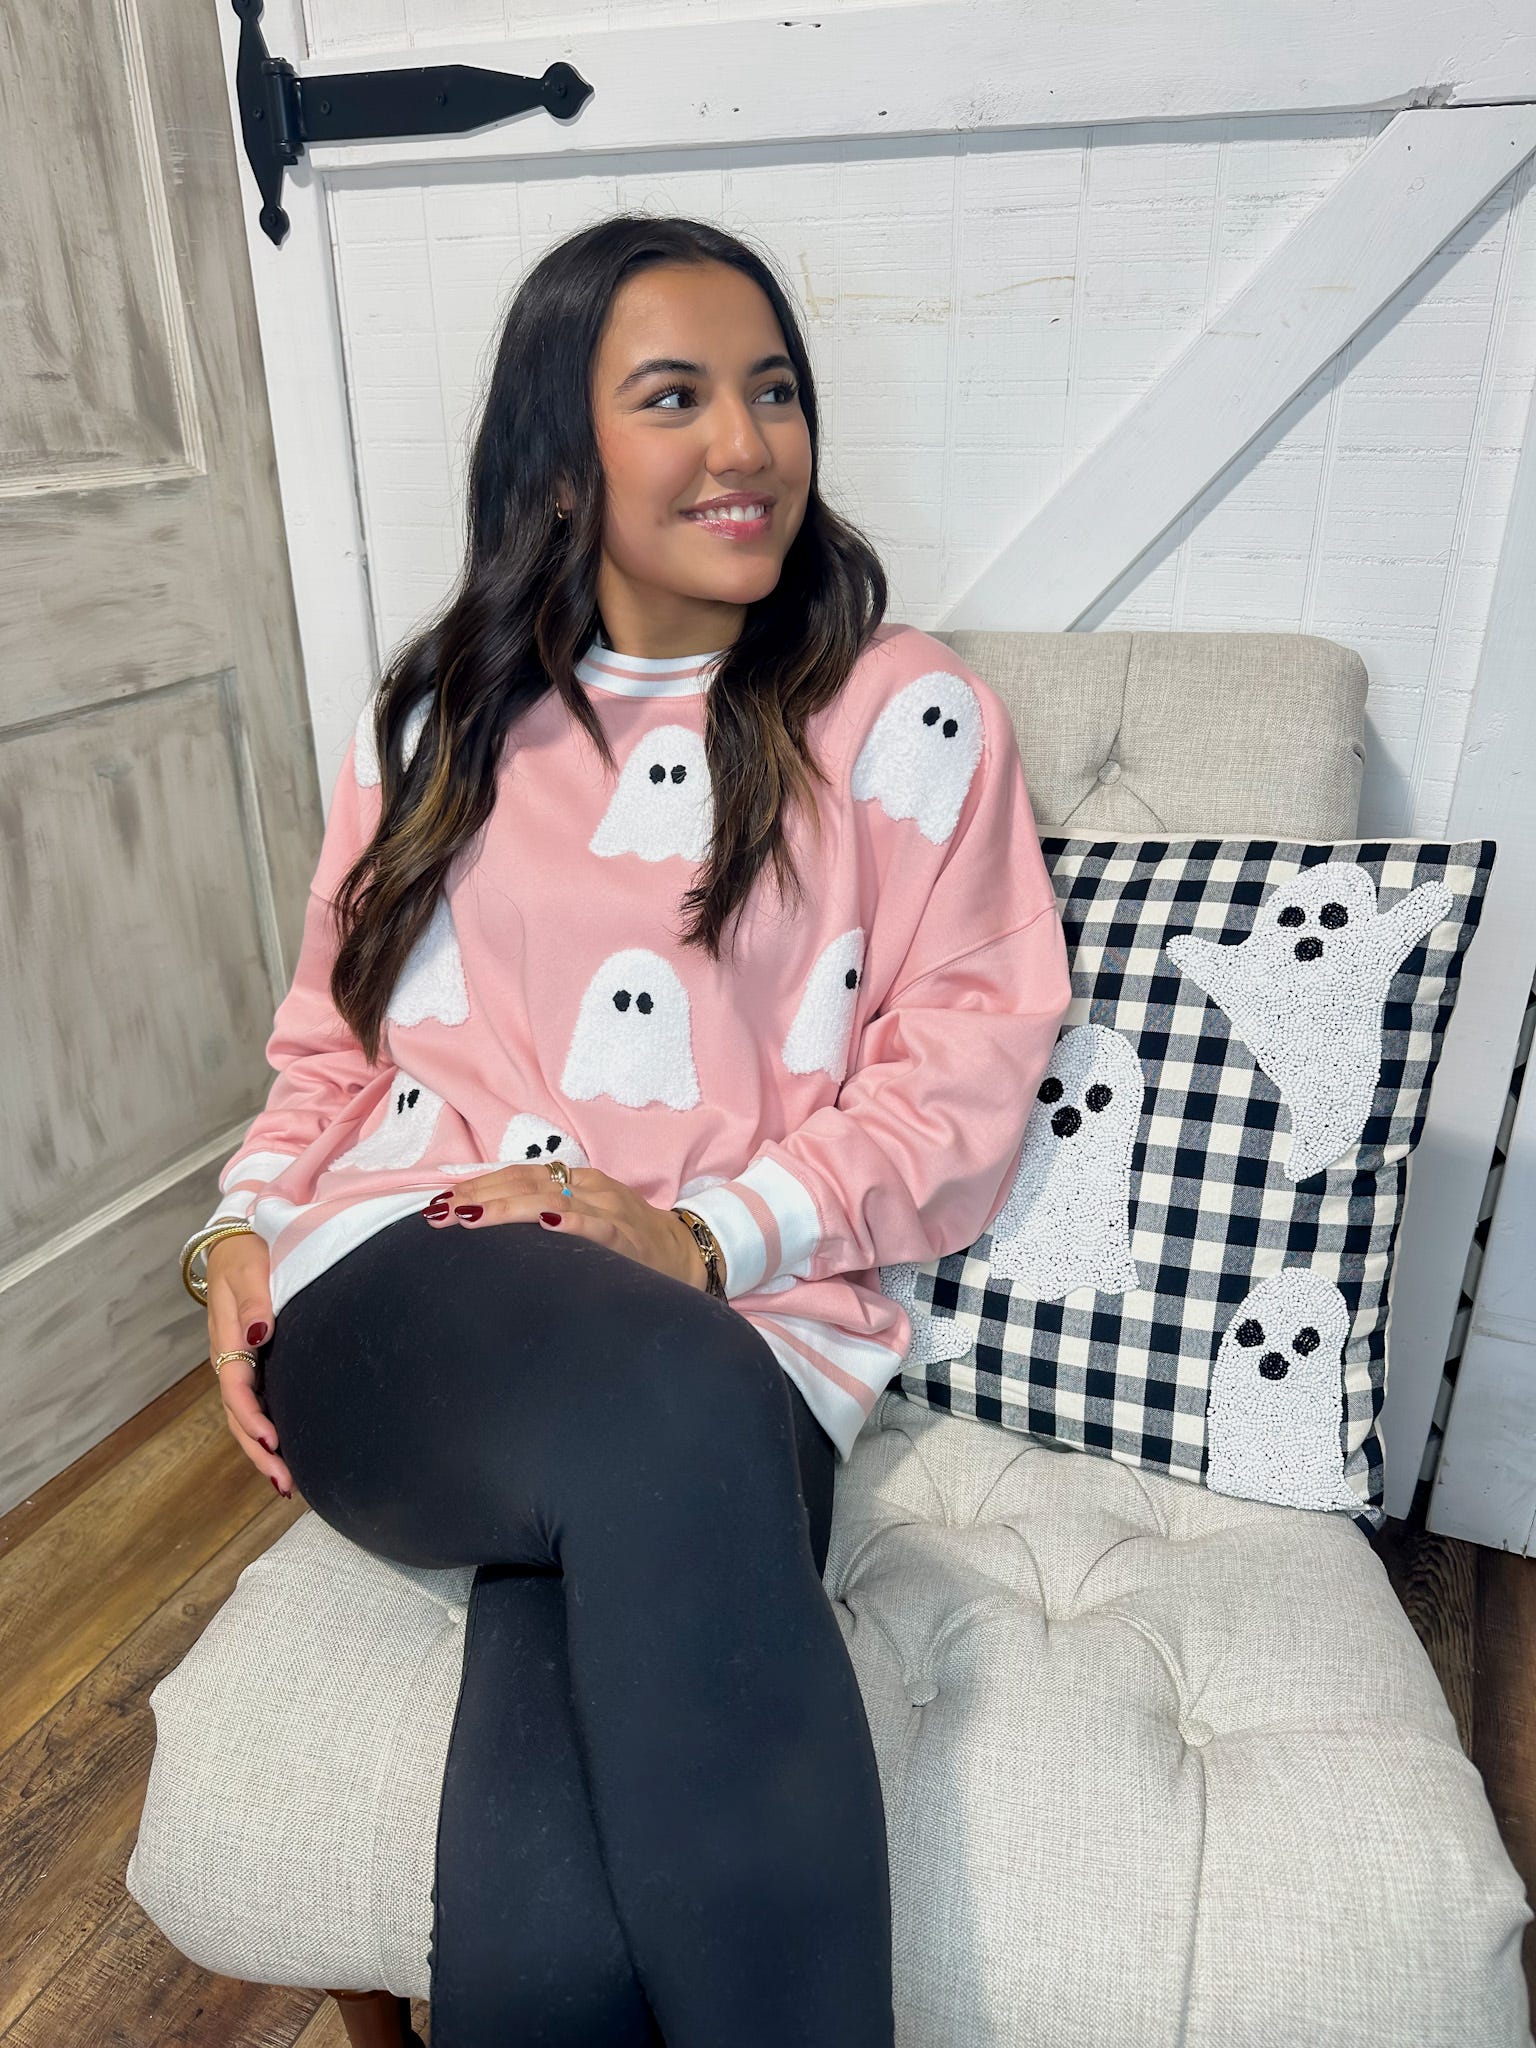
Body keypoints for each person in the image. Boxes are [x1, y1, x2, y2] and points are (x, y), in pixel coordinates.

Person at [178, 212, 1072, 2047]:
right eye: (675, 397)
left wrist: (709, 1235)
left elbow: (968, 1079)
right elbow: (319, 1045)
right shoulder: (441, 716)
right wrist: (240, 1226)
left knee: (559, 1923)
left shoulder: (905, 717)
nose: (745, 445)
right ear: (563, 455)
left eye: (775, 393)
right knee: (660, 1410)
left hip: (739, 1347)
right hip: (415, 1295)